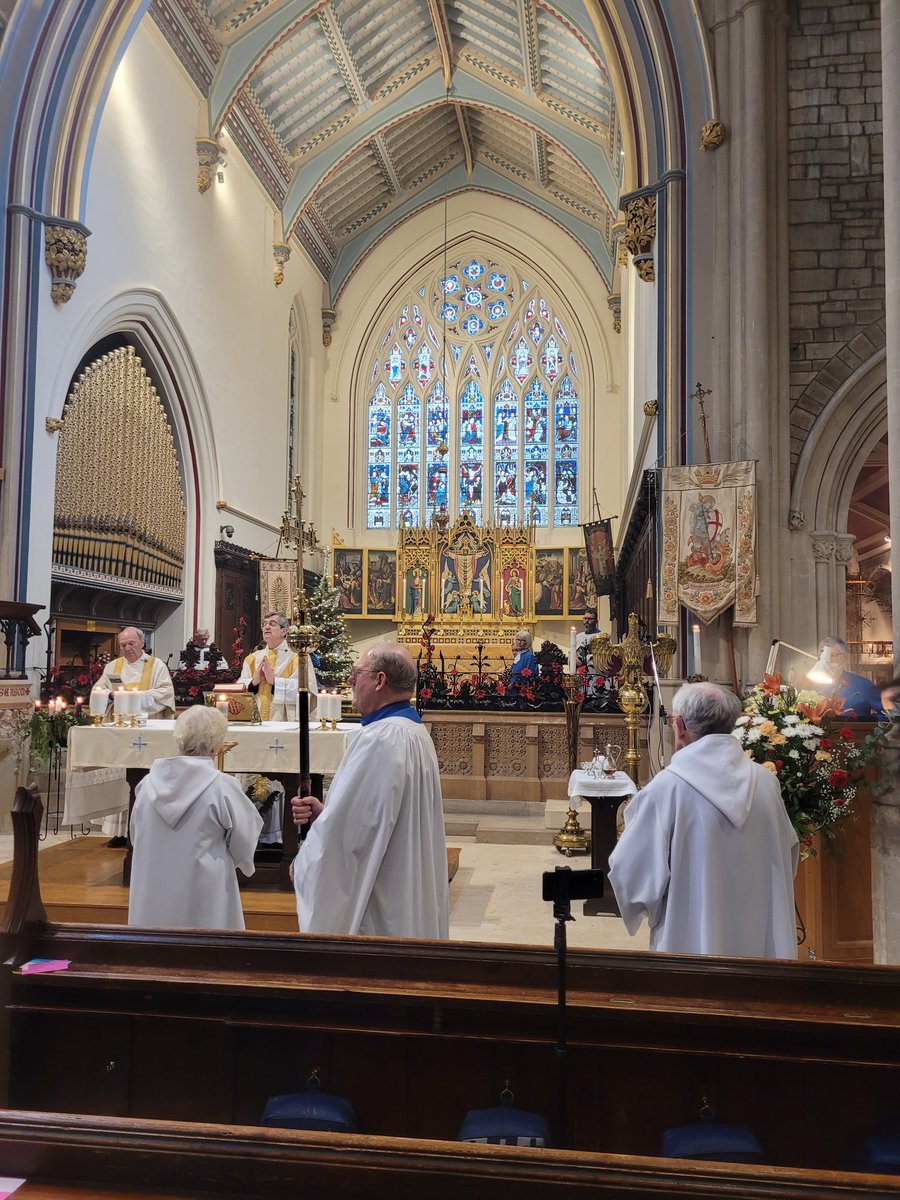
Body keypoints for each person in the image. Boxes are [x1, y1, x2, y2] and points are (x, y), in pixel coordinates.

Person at [608, 682, 799, 958]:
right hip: (760, 941)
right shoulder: (766, 783)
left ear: (680, 726)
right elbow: (788, 856)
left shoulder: (668, 788)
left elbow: (631, 871)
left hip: (690, 940)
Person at [290, 643, 448, 938]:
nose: (351, 680)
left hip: (380, 902)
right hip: (402, 882)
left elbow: (354, 836)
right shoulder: (413, 731)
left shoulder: (381, 739)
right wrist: (326, 814)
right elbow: (377, 816)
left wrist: (307, 863)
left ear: (380, 681)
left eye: (357, 673)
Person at [128, 706, 263, 929]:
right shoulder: (221, 786)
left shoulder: (147, 785)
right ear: (216, 746)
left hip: (153, 886)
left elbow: (136, 835)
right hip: (204, 889)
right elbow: (245, 837)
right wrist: (243, 861)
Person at [239, 612, 318, 720]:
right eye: (264, 624)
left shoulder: (299, 657)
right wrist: (254, 682)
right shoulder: (251, 659)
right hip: (256, 720)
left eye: (272, 624)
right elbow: (239, 688)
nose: (266, 626)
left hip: (284, 721)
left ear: (284, 631)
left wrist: (275, 682)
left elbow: (308, 689)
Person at [96, 626, 175, 716]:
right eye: (123, 645)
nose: (127, 648)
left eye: (131, 643)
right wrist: (111, 695)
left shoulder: (157, 665)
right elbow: (99, 690)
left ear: (142, 643)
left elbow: (166, 693)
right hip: (117, 724)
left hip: (146, 724)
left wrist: (135, 697)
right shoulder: (112, 666)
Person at [816, 636, 885, 719]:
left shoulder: (864, 685)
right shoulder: (811, 685)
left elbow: (888, 715)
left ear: (844, 657)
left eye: (832, 655)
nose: (827, 661)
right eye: (822, 656)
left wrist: (867, 721)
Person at [575, 607, 601, 694]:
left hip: (595, 673)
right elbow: (573, 652)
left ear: (596, 621)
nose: (587, 621)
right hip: (581, 673)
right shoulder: (578, 636)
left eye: (590, 619)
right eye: (585, 618)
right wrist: (574, 658)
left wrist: (588, 658)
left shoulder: (601, 636)